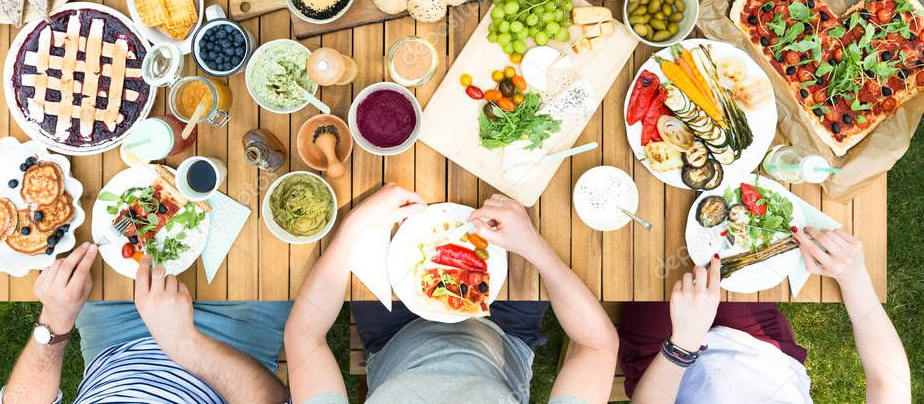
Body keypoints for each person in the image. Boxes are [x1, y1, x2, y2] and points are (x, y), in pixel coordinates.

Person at [285, 184, 619, 403]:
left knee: (369, 181)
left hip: (393, 335)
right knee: (531, 195)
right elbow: (597, 347)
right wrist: (532, 244)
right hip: (507, 332)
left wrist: (355, 227)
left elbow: (304, 337)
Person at [619, 228, 911, 403]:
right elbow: (890, 382)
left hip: (666, 370)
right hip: (759, 345)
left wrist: (682, 345)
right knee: (734, 236)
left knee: (656, 258)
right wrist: (854, 279)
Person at [0, 242, 290, 404]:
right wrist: (184, 344)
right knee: (279, 235)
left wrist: (54, 322)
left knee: (101, 200)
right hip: (235, 340)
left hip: (112, 337)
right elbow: (270, 399)